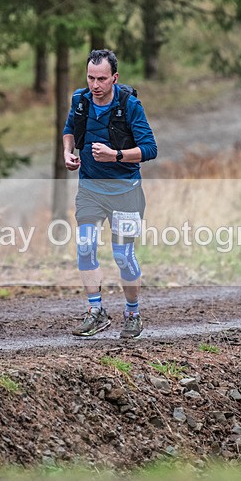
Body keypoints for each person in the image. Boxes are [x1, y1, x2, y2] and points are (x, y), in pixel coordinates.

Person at [62, 49, 158, 338]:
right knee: (85, 246)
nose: (95, 85)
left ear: (114, 77)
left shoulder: (130, 105)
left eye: (102, 79)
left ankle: (133, 313)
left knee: (123, 255)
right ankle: (96, 312)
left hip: (125, 191)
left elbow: (150, 149)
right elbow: (69, 130)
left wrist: (115, 155)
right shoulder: (80, 101)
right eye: (91, 78)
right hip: (90, 189)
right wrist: (68, 154)